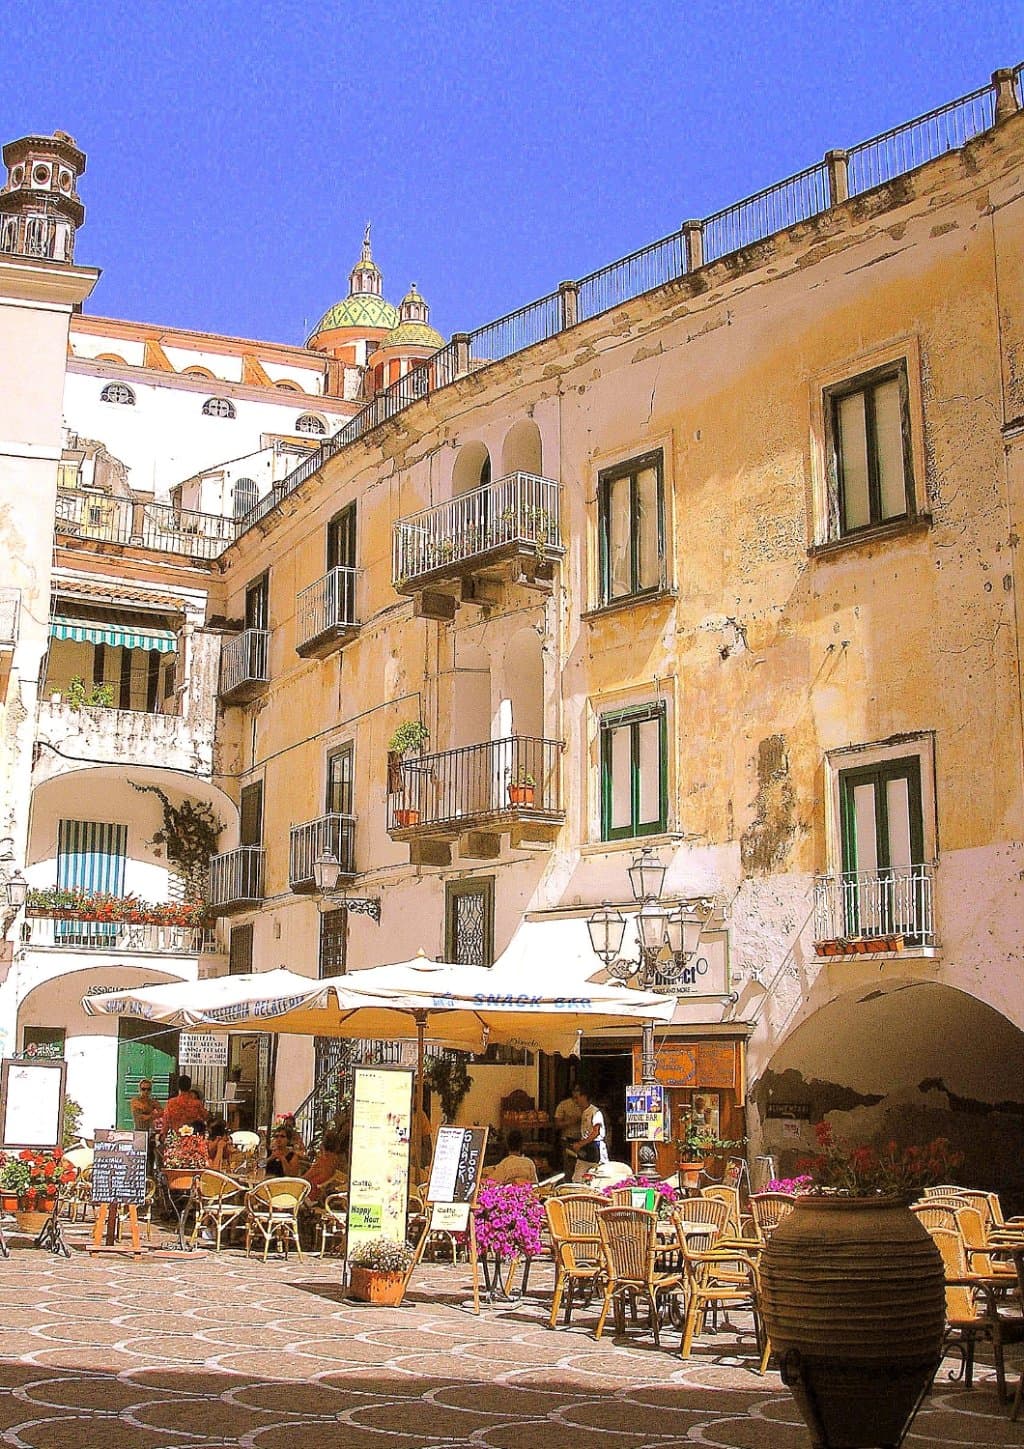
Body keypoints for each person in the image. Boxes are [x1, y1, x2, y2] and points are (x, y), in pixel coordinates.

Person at [571, 1084, 608, 1182]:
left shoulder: (595, 1112)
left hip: (596, 1148)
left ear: (584, 1097)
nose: (575, 1101)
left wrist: (580, 1144)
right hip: (585, 1148)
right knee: (577, 1178)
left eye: (577, 1098)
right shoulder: (583, 1112)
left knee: (599, 1177)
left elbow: (596, 1132)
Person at [304, 1130, 347, 1201]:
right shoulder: (337, 1160)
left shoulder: (322, 1162)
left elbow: (304, 1178)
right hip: (323, 1190)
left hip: (311, 1194)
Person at [553, 1086, 582, 1177]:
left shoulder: (586, 1105)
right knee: (569, 1167)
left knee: (581, 1166)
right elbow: (557, 1124)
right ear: (572, 1091)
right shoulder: (564, 1105)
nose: (577, 1093)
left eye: (579, 1091)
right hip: (567, 1139)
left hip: (583, 1140)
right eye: (575, 1090)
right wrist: (571, 1121)